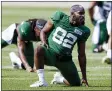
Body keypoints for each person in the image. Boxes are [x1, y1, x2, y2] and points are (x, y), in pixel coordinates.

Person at [30, 5, 90, 87]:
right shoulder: (59, 16)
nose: (82, 16)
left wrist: (84, 76)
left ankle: (59, 79)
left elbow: (81, 54)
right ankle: (41, 81)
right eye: (80, 13)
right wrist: (44, 42)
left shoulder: (84, 30)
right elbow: (43, 31)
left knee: (76, 84)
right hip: (50, 53)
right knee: (39, 48)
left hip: (65, 60)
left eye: (83, 13)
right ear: (72, 13)